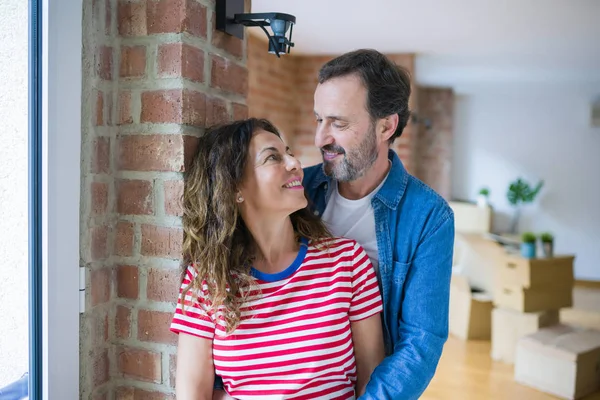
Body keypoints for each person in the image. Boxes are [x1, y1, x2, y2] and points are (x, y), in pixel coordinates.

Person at [170, 118, 385, 400]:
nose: (295, 164)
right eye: (273, 157)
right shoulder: (207, 283)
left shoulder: (347, 263)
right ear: (234, 188)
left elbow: (374, 383)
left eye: (289, 152)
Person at [303, 49, 455, 399]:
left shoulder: (430, 217)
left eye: (338, 124)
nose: (320, 139)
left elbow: (421, 342)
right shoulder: (297, 192)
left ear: (387, 125)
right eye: (318, 120)